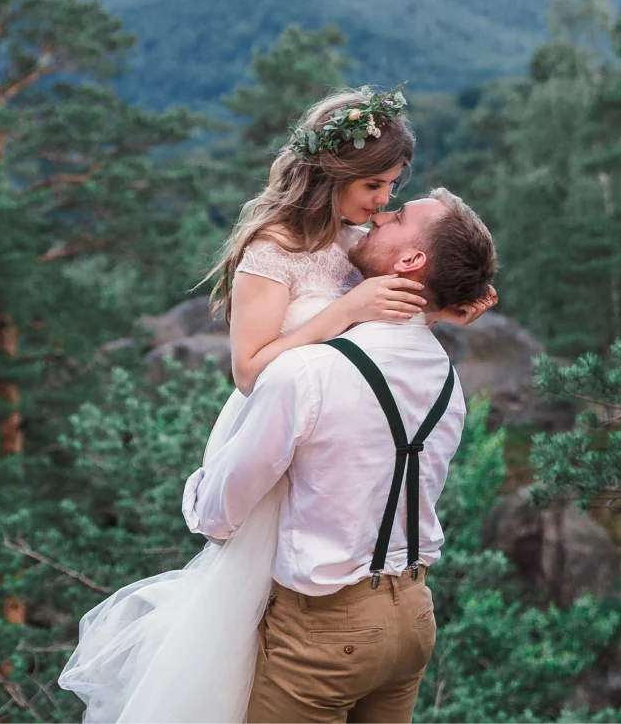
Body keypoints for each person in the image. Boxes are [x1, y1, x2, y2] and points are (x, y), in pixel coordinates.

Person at [58, 86, 496, 722]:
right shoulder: (283, 252)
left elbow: (410, 285)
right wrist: (366, 308)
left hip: (326, 613)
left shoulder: (352, 267)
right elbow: (249, 368)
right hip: (410, 609)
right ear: (335, 175)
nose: (383, 206)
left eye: (393, 194)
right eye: (377, 187)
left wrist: (455, 298)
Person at [187, 186, 498, 721]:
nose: (380, 213)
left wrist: (196, 494)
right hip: (415, 620)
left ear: (410, 261)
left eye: (397, 214)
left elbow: (218, 514)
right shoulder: (447, 377)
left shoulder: (307, 371)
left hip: (325, 632)